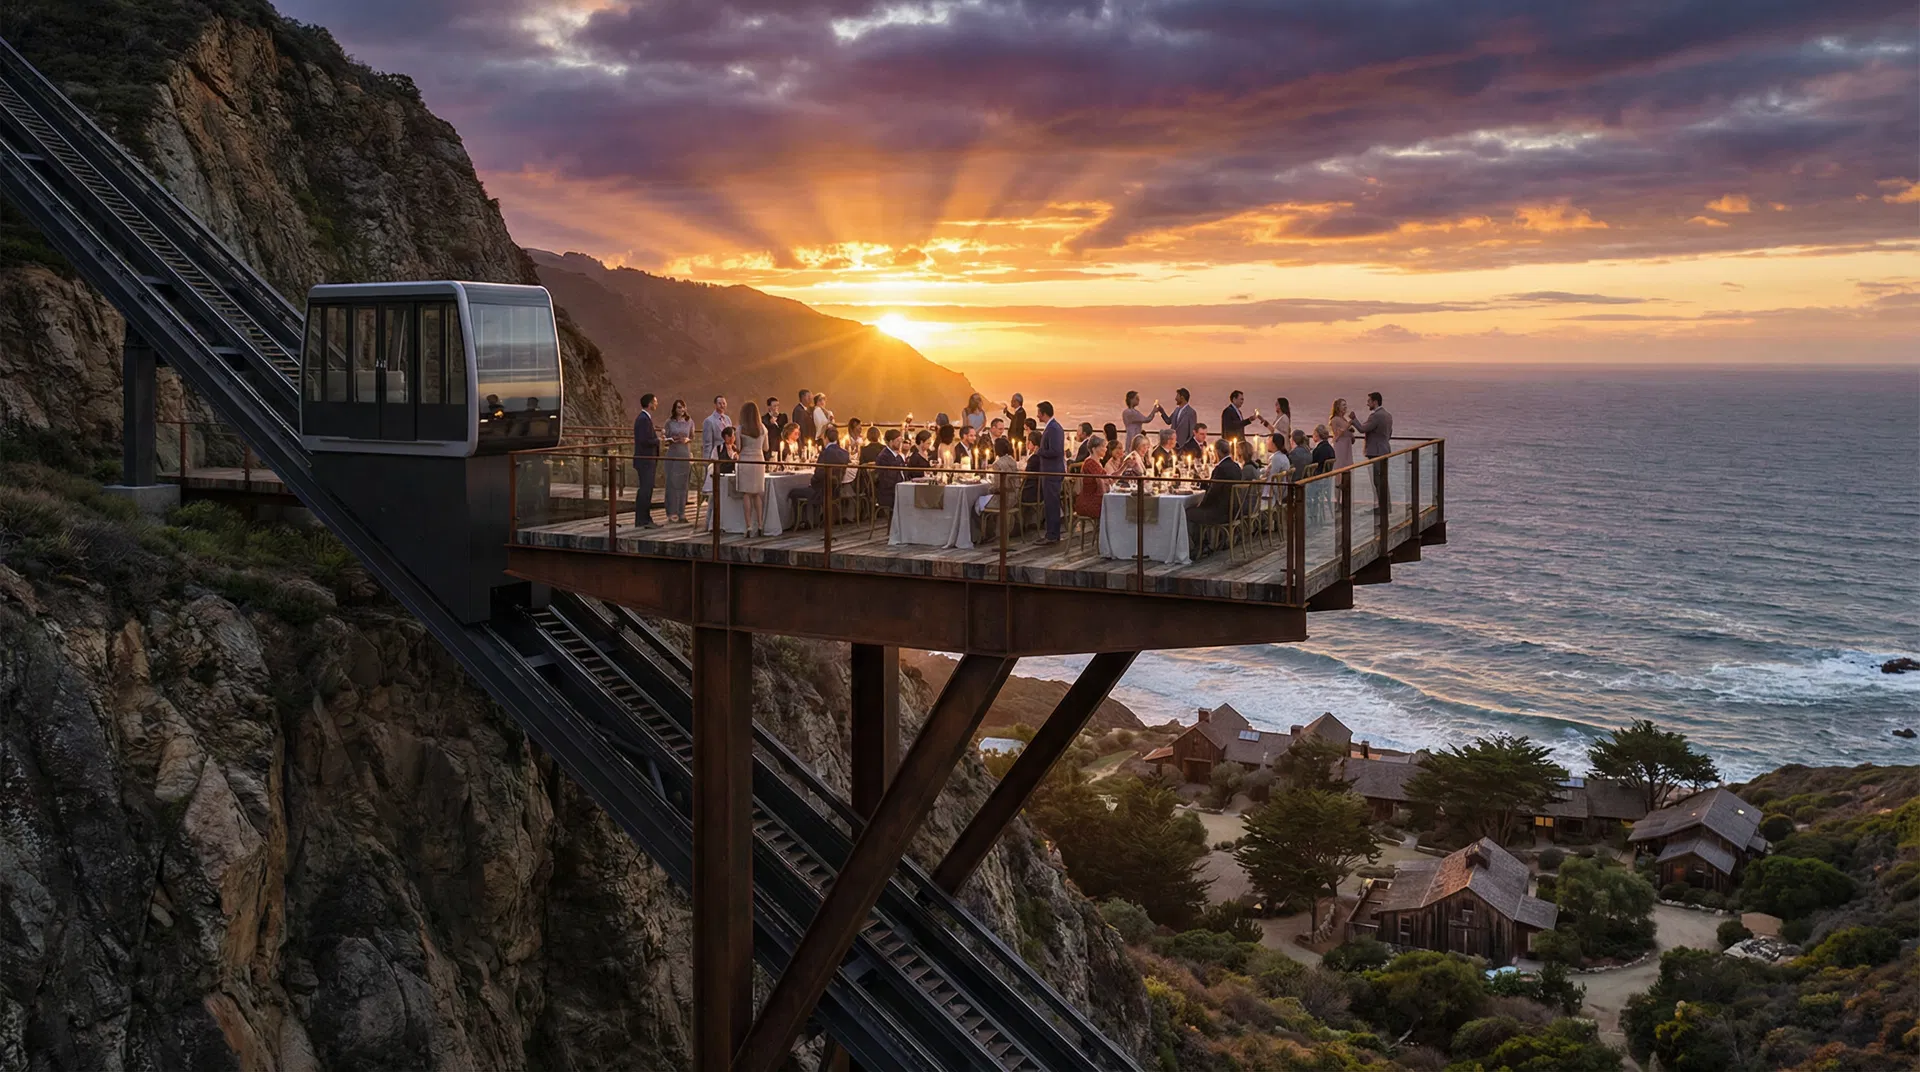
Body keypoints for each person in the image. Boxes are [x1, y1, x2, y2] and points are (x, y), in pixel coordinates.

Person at [1185, 441, 1244, 558]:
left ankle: (1200, 545)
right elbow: (1217, 487)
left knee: (1188, 513)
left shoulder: (1220, 469)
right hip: (1235, 510)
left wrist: (1201, 504)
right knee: (1196, 510)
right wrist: (1203, 485)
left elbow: (1213, 493)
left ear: (1217, 452)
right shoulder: (1236, 466)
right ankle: (1205, 543)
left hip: (1221, 513)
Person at [790, 425, 850, 522]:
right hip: (836, 490)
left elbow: (818, 474)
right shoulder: (845, 453)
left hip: (821, 491)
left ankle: (802, 521)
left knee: (793, 492)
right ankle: (813, 519)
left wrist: (812, 482)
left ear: (825, 438)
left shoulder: (825, 453)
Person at [1035, 401, 1066, 543]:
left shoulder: (1053, 428)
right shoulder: (1054, 427)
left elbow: (1056, 451)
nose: (1037, 415)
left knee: (1051, 503)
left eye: (1038, 412)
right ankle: (1051, 533)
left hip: (1051, 472)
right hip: (1051, 471)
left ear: (1043, 413)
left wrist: (1039, 451)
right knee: (1050, 503)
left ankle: (1052, 535)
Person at [736, 401, 768, 535]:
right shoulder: (763, 428)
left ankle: (748, 526)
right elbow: (766, 448)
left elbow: (738, 448)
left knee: (747, 494)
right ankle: (760, 525)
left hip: (745, 460)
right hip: (759, 461)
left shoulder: (740, 429)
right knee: (757, 494)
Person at [632, 393, 661, 528]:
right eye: (655, 402)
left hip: (646, 460)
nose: (656, 404)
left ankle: (645, 518)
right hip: (645, 460)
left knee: (646, 489)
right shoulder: (643, 420)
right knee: (645, 490)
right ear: (650, 404)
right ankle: (643, 520)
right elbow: (644, 441)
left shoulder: (644, 418)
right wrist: (658, 440)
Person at [663, 398, 694, 522]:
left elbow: (691, 436)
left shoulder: (689, 421)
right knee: (672, 483)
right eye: (678, 407)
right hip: (673, 452)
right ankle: (672, 512)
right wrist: (671, 439)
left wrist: (687, 440)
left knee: (683, 483)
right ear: (674, 409)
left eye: (682, 407)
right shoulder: (669, 422)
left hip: (684, 453)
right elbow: (665, 437)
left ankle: (682, 512)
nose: (681, 409)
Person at [1074, 434, 1109, 520]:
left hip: (1094, 498)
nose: (1106, 449)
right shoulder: (1090, 463)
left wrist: (1124, 466)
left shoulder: (1098, 463)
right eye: (1103, 447)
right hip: (1089, 502)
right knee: (1113, 508)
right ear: (1094, 449)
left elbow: (1108, 478)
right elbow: (1104, 480)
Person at [875, 428, 909, 506]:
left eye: (901, 441)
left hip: (900, 487)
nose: (900, 443)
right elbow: (886, 479)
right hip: (889, 492)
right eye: (897, 441)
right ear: (890, 442)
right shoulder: (884, 457)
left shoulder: (898, 456)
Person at [1355, 391, 1393, 458]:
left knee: (1376, 468)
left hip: (1375, 451)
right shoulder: (1388, 415)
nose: (1367, 404)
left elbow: (1362, 429)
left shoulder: (1376, 416)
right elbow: (1390, 432)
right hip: (1385, 450)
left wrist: (1353, 420)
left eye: (1369, 401)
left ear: (1375, 402)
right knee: (1383, 468)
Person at [1167, 387, 1198, 454]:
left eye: (1177, 396)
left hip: (1183, 448)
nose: (1175, 399)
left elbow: (1192, 433)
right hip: (1172, 445)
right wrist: (1161, 411)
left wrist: (1184, 446)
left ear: (1182, 397)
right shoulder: (1176, 410)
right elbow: (1168, 421)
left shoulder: (1191, 412)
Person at [702, 395, 732, 460]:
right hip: (716, 455)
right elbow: (708, 443)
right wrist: (707, 459)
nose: (722, 405)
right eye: (720, 403)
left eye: (724, 403)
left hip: (728, 455)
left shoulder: (728, 419)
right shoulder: (709, 421)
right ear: (715, 405)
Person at [1329, 398, 1355, 468]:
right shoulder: (1334, 420)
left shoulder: (1344, 419)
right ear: (1338, 407)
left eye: (1346, 405)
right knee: (1339, 467)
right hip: (1340, 446)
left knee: (1347, 468)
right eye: (1343, 405)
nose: (1345, 407)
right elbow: (1336, 435)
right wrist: (1349, 423)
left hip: (1347, 446)